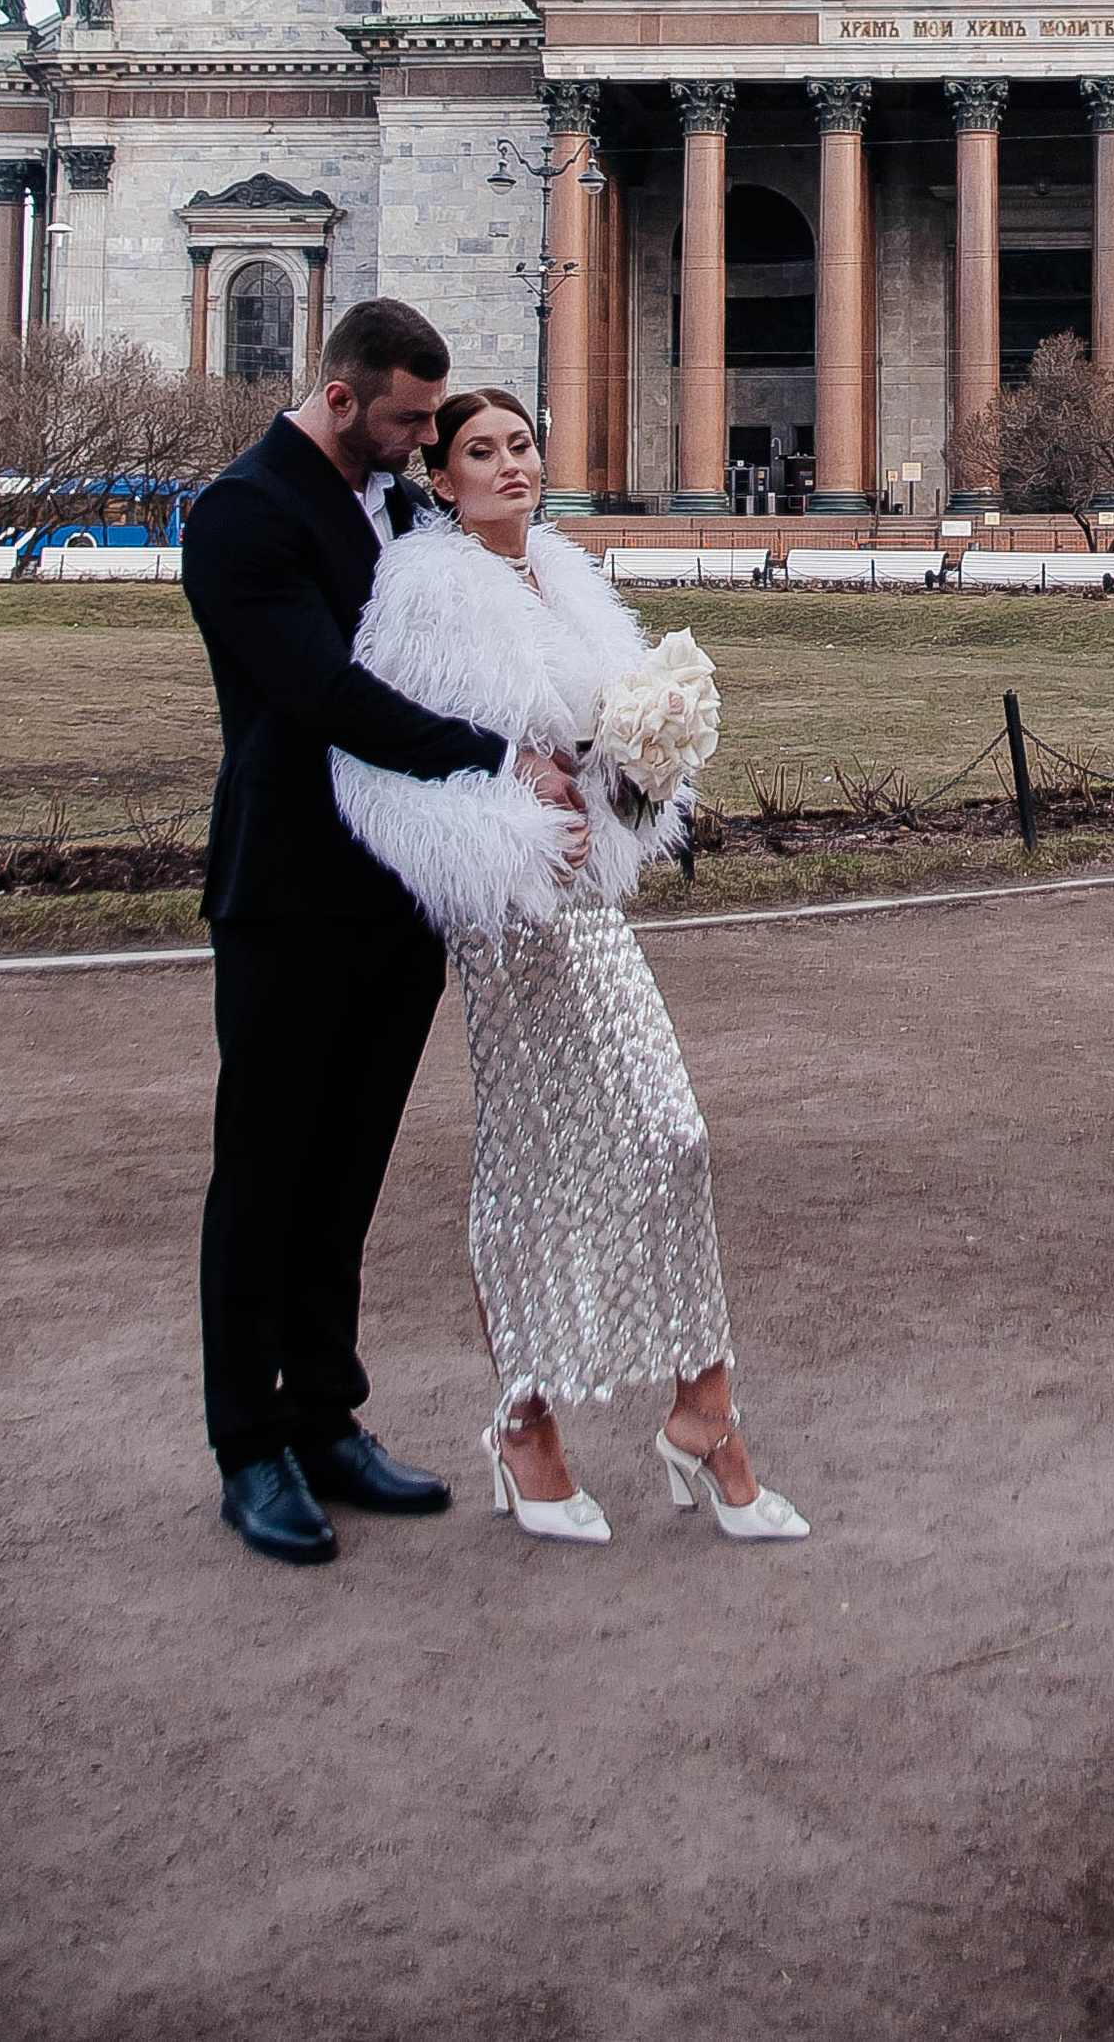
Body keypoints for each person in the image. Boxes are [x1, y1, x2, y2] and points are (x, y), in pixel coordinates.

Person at [335, 387, 807, 1550]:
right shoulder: (424, 590)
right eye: (479, 452)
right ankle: (562, 1424)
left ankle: (681, 1412)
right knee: (557, 1158)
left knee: (654, 1142)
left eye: (520, 446)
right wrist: (519, 817)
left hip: (587, 904)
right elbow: (388, 760)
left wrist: (640, 771)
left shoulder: (562, 573)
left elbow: (598, 746)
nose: (509, 466)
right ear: (437, 479)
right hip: (510, 911)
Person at [183, 297, 584, 1567]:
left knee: (346, 1167)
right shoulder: (245, 512)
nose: (425, 443)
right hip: (291, 888)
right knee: (264, 1176)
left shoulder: (402, 505)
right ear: (343, 396)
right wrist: (495, 759)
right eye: (409, 421)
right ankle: (251, 1446)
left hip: (400, 887)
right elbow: (326, 693)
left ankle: (327, 1419)